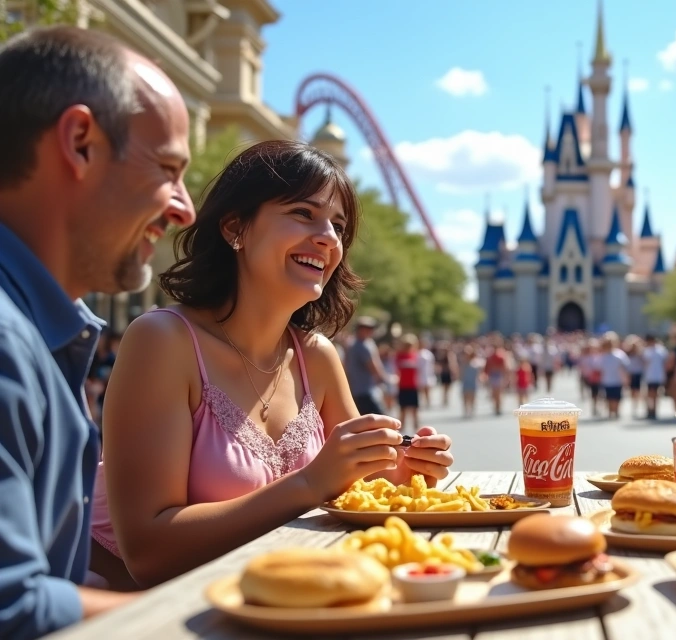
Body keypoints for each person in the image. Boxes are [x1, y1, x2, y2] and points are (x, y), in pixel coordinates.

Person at [89, 141, 455, 591]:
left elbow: (358, 486)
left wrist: (406, 473)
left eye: (338, 226)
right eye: (304, 213)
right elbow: (148, 553)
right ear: (234, 228)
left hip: (276, 604)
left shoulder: (316, 357)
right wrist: (309, 483)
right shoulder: (162, 341)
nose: (328, 238)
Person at [0, 26, 196, 638]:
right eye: (168, 168)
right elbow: (15, 612)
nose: (185, 208)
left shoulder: (40, 333)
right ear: (80, 142)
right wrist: (243, 611)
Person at [344, 316, 390, 416]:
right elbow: (373, 367)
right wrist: (387, 381)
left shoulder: (355, 343)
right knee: (381, 421)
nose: (370, 331)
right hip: (365, 392)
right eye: (367, 328)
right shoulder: (362, 346)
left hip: (359, 391)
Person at [597, 332, 631, 420]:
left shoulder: (619, 354)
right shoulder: (603, 356)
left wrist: (626, 378)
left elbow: (626, 366)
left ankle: (616, 411)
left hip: (617, 380)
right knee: (609, 397)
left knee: (617, 397)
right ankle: (610, 411)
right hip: (607, 380)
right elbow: (598, 368)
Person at [394, 334, 422, 434]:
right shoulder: (399, 356)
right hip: (403, 386)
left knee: (415, 409)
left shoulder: (415, 355)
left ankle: (417, 430)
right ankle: (400, 431)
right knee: (403, 410)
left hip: (413, 386)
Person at [641, 334, 668, 420]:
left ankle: (654, 410)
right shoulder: (647, 350)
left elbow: (665, 362)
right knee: (649, 394)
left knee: (655, 394)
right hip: (650, 375)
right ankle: (649, 409)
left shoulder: (661, 350)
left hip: (658, 375)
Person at [459, 343, 482, 418]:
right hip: (465, 382)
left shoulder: (476, 362)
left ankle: (472, 410)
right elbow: (460, 373)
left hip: (473, 382)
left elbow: (479, 373)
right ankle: (466, 411)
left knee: (472, 397)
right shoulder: (463, 363)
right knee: (465, 397)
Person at [434, 340, 457, 408]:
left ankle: (446, 398)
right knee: (444, 386)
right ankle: (444, 399)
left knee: (448, 387)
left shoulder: (451, 355)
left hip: (448, 372)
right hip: (444, 372)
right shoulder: (442, 355)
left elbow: (453, 364)